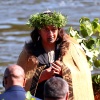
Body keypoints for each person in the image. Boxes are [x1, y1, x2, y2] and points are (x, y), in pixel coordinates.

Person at [17, 10, 94, 100]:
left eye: (53, 29)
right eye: (46, 30)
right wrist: (41, 77)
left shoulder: (71, 48)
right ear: (39, 31)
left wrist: (64, 71)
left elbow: (83, 75)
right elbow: (17, 81)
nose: (50, 34)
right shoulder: (28, 53)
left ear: (58, 29)